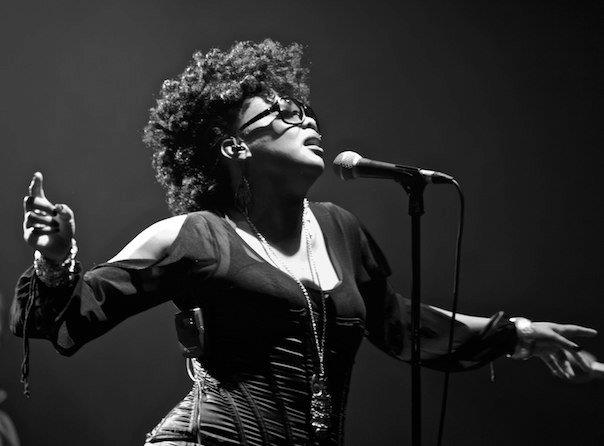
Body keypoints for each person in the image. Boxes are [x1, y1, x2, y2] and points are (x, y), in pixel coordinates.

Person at [11, 39, 598, 446]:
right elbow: (73, 318)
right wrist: (55, 256)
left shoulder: (340, 229)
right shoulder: (196, 235)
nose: (307, 121)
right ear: (235, 147)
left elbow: (400, 325)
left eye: (306, 112)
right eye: (281, 116)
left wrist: (519, 334)